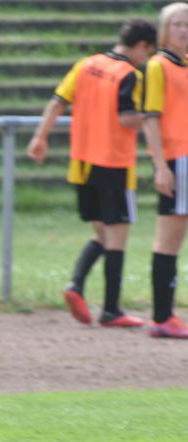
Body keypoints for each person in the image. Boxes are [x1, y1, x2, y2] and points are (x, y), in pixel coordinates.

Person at [27, 18, 157, 328]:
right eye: (148, 54)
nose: (147, 60)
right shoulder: (129, 75)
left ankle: (76, 285)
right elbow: (127, 119)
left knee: (102, 234)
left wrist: (40, 137)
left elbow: (58, 102)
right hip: (113, 164)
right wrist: (155, 118)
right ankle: (111, 309)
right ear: (141, 47)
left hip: (82, 164)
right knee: (118, 237)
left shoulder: (86, 65)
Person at [142, 3, 188, 338]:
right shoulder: (158, 66)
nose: (184, 30)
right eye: (178, 25)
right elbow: (150, 119)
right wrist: (161, 166)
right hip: (178, 159)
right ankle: (162, 317)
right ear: (165, 30)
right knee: (169, 239)